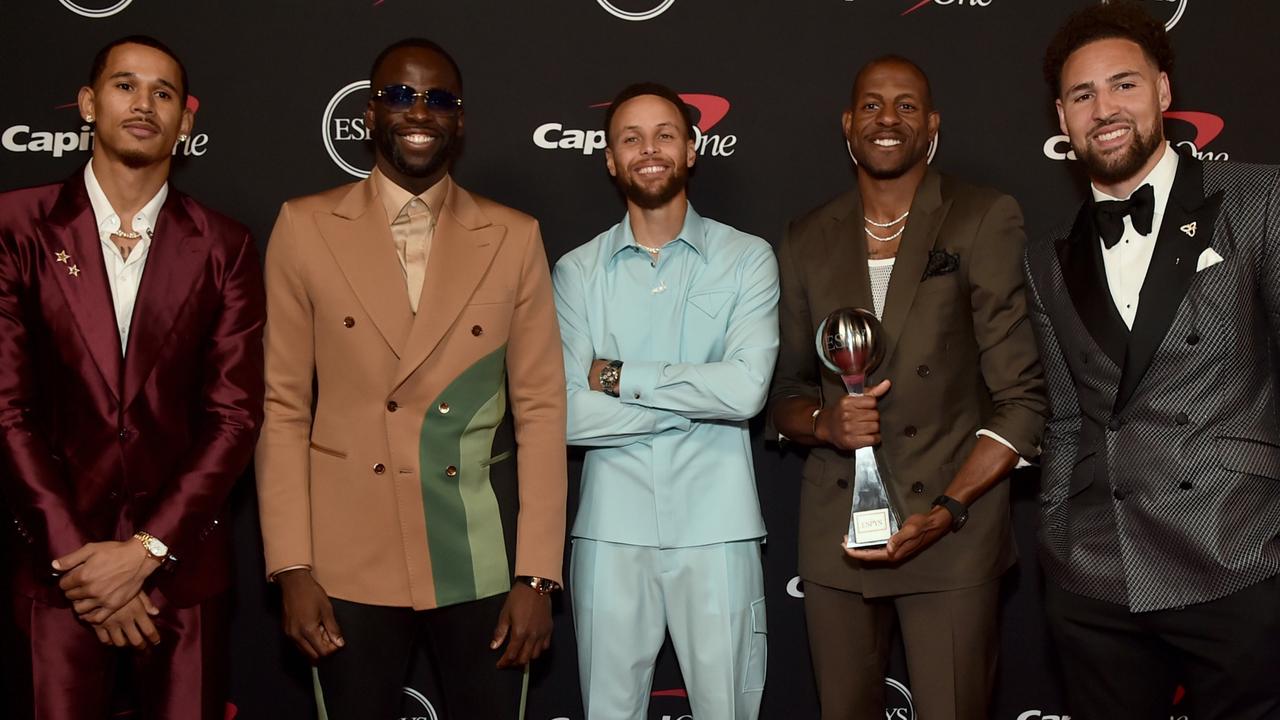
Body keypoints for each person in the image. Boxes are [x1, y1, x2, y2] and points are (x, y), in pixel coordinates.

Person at [255, 37, 567, 719]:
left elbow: (541, 411)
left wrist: (537, 575)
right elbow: (282, 409)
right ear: (369, 114)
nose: (418, 110)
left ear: (461, 121)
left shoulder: (514, 236)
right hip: (344, 562)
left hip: (476, 554)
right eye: (400, 95)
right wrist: (291, 567)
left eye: (439, 99)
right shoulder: (304, 227)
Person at [767, 56, 1046, 720]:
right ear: (847, 124)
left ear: (932, 126)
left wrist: (949, 509)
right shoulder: (806, 237)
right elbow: (785, 394)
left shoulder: (983, 216)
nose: (887, 119)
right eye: (870, 105)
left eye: (906, 106)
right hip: (839, 533)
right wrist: (825, 425)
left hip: (951, 533)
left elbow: (1023, 401)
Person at [1026, 3, 1280, 718]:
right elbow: (1068, 418)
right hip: (1096, 576)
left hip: (1237, 555)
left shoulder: (1261, 201)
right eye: (1083, 95)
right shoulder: (1046, 257)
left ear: (1164, 93)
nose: (1104, 109)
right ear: (1062, 116)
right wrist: (1057, 544)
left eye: (1123, 85)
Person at [0, 35, 265, 719]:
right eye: (125, 85)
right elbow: (7, 410)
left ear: (187, 121)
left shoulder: (226, 246)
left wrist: (145, 552)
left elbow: (234, 417)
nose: (144, 103)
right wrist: (85, 570)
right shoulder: (14, 227)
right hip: (54, 575)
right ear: (88, 105)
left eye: (164, 92)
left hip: (179, 579)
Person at [552, 82, 778, 720]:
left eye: (665, 134)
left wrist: (620, 376)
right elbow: (567, 414)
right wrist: (700, 396)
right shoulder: (577, 271)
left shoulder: (746, 259)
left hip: (719, 533)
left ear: (693, 148)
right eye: (631, 138)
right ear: (609, 158)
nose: (649, 150)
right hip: (610, 535)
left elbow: (746, 391)